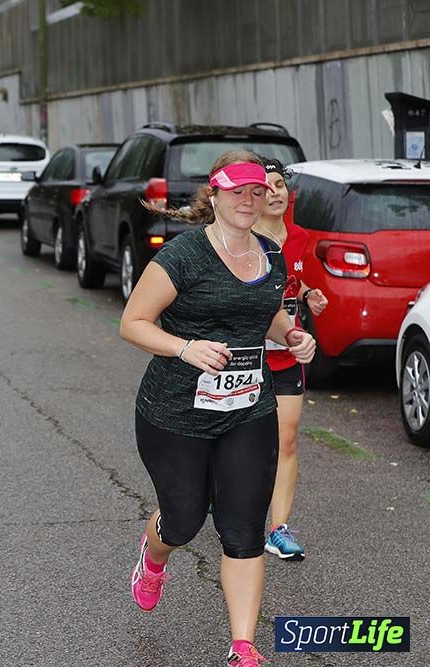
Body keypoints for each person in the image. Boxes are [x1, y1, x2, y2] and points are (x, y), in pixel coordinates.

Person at [119, 150, 316, 667]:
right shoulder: (184, 256)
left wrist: (292, 335)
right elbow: (133, 322)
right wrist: (186, 347)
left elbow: (267, 312)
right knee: (183, 521)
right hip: (174, 413)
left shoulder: (270, 255)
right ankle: (154, 557)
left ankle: (243, 647)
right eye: (238, 192)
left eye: (258, 191)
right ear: (216, 194)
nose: (250, 201)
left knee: (244, 527)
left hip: (248, 409)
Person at [253, 158, 329, 561]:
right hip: (244, 358)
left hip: (286, 355)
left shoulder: (299, 237)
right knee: (238, 440)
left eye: (280, 184)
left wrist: (307, 296)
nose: (275, 192)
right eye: (266, 186)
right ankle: (217, 493)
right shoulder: (243, 238)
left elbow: (295, 284)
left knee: (285, 440)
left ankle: (277, 529)